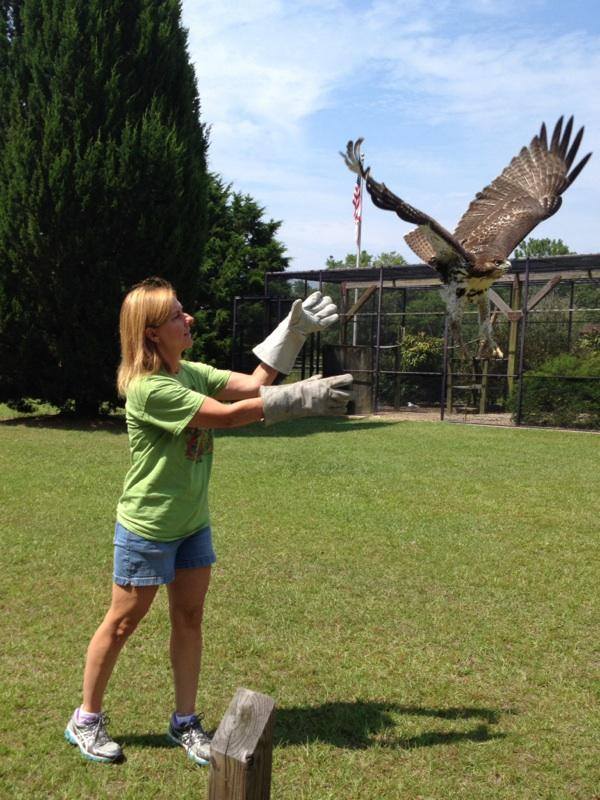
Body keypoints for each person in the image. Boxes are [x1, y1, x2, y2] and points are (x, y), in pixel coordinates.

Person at [64, 276, 352, 765]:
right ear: (151, 332)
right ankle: (85, 719)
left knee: (189, 618)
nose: (188, 318)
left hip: (192, 523)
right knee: (122, 624)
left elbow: (253, 386)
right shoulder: (149, 388)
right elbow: (225, 416)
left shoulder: (189, 371)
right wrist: (301, 399)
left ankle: (185, 721)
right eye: (177, 314)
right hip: (148, 526)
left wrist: (293, 332)